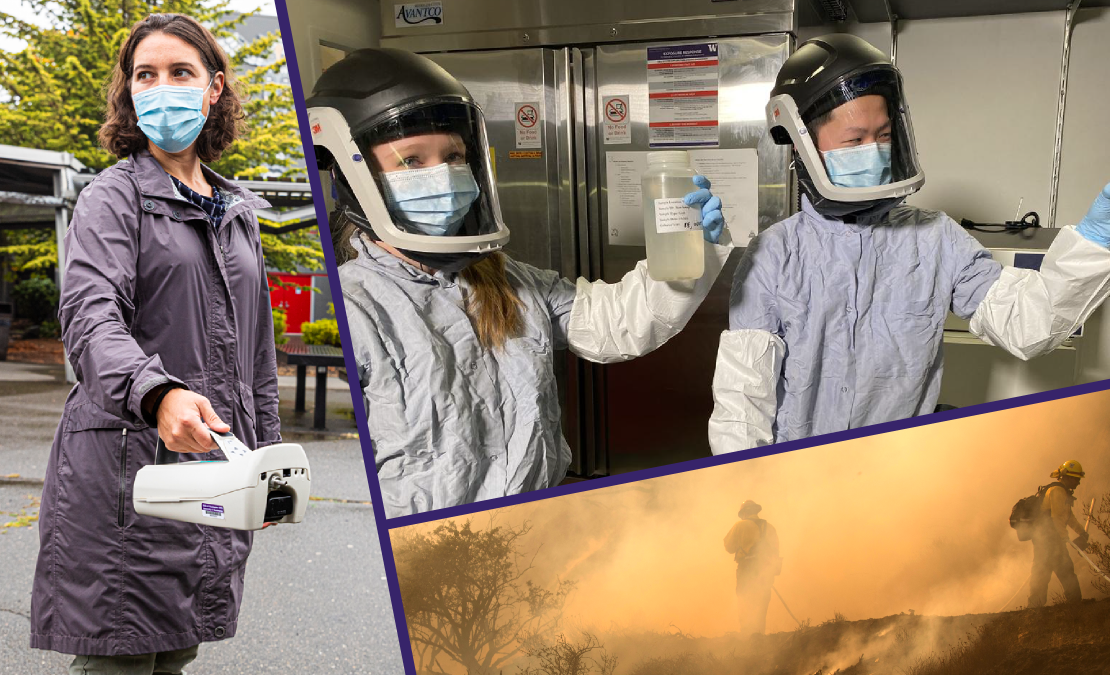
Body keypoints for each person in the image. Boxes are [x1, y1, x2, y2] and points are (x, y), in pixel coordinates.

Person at [708, 34, 1110, 453]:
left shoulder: (936, 239)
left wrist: (1093, 244)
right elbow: (743, 401)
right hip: (795, 478)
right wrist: (746, 491)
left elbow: (1031, 327)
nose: (874, 153)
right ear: (801, 143)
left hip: (900, 478)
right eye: (855, 141)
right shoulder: (773, 254)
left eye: (882, 136)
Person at [305, 48, 730, 517]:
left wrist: (689, 255)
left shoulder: (511, 279)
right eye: (411, 162)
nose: (443, 175)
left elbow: (617, 325)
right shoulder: (357, 306)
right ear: (351, 173)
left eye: (453, 156)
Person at [29, 14, 281, 674]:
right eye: (146, 74)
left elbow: (256, 353)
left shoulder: (238, 212)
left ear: (215, 87)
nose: (162, 86)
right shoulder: (112, 199)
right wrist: (158, 392)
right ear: (129, 91)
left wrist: (267, 460)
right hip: (127, 475)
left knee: (175, 651)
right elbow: (90, 321)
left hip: (211, 471)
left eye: (181, 72)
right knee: (120, 657)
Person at [1029, 460, 1089, 608]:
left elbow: (1068, 517)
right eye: (1076, 479)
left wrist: (1082, 531)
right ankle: (1035, 611)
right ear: (1066, 477)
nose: (1078, 483)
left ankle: (1036, 609)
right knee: (1055, 572)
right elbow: (1055, 517)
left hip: (1050, 539)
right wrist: (1064, 538)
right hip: (1048, 540)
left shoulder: (1063, 493)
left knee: (1047, 573)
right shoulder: (1056, 491)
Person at [723, 500, 782, 635]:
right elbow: (775, 551)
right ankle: (759, 635)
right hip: (765, 570)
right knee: (762, 601)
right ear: (756, 511)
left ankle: (747, 635)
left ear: (744, 513)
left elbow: (728, 547)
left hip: (746, 569)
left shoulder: (740, 525)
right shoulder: (770, 527)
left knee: (745, 600)